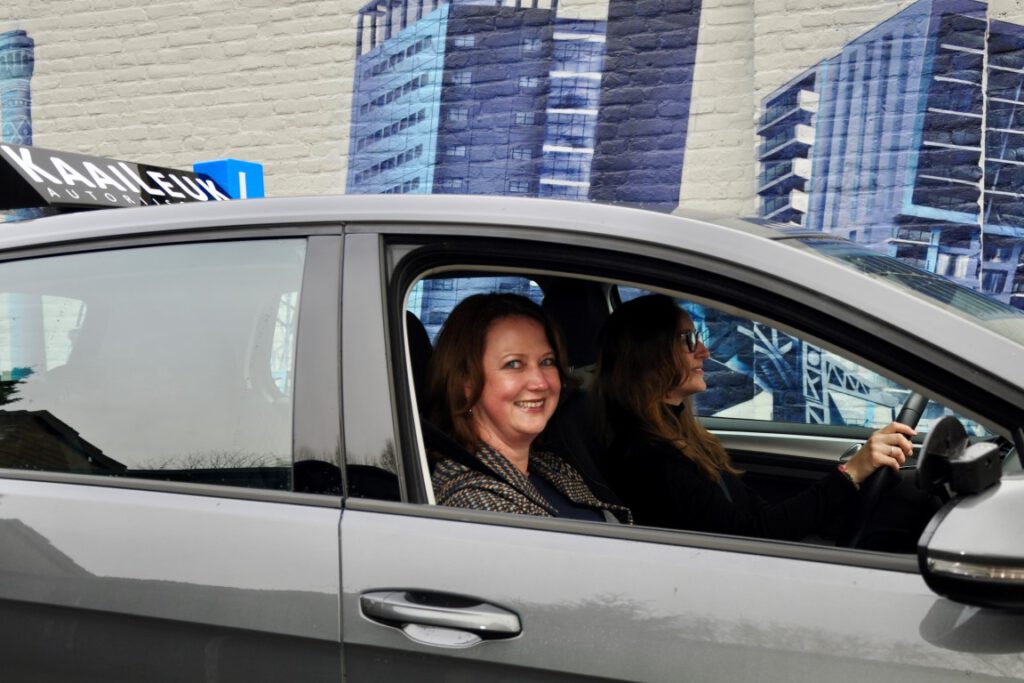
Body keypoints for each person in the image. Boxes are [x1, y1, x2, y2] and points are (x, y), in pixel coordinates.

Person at [596, 293, 914, 541]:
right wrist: (850, 474)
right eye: (688, 340)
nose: (704, 351)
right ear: (650, 355)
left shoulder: (680, 435)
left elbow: (758, 515)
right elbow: (750, 537)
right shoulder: (650, 460)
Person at [427, 293, 631, 524]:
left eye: (547, 362)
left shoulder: (548, 466)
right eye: (513, 364)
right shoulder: (476, 504)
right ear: (466, 383)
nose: (540, 383)